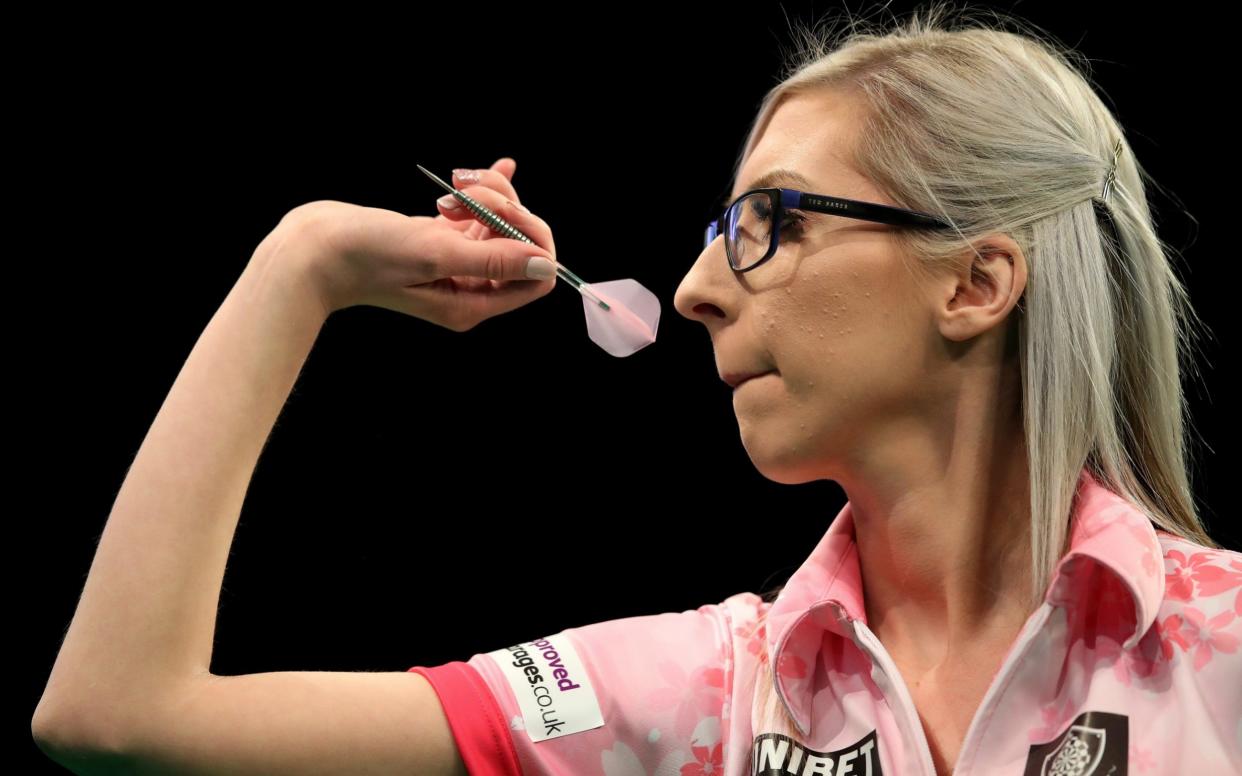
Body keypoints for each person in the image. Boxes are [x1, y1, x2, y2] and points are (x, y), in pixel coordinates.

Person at [32, 6, 1239, 776]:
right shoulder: (710, 693)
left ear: (976, 280)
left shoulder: (1226, 654)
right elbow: (120, 710)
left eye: (771, 221)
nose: (697, 286)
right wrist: (303, 264)